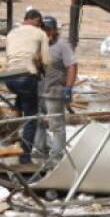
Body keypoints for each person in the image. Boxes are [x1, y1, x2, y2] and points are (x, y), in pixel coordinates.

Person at [1, 8, 49, 163]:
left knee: (21, 104)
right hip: (27, 78)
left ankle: (15, 137)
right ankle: (25, 156)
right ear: (37, 21)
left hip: (10, 79)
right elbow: (46, 61)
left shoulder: (11, 33)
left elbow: (9, 56)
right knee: (31, 118)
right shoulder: (40, 33)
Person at [38, 16, 77, 162]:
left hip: (55, 91)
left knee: (56, 126)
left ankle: (56, 158)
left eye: (49, 29)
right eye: (44, 29)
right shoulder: (42, 43)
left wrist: (68, 88)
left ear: (55, 30)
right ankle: (41, 150)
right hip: (41, 90)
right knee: (38, 121)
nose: (46, 32)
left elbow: (72, 66)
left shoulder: (62, 45)